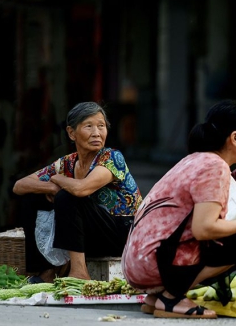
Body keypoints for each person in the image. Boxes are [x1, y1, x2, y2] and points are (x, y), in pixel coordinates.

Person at [121, 100, 236, 319]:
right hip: (151, 262)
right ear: (235, 138)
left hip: (137, 261)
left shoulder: (195, 160)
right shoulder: (215, 166)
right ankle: (171, 297)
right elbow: (204, 229)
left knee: (230, 233)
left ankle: (155, 297)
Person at [13, 101, 143, 283]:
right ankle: (45, 272)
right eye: (89, 126)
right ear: (71, 133)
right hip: (92, 235)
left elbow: (81, 189)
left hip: (123, 234)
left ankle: (79, 272)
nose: (97, 133)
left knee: (68, 196)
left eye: (101, 126)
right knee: (32, 198)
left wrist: (57, 180)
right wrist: (50, 187)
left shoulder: (112, 157)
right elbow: (19, 185)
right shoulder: (68, 162)